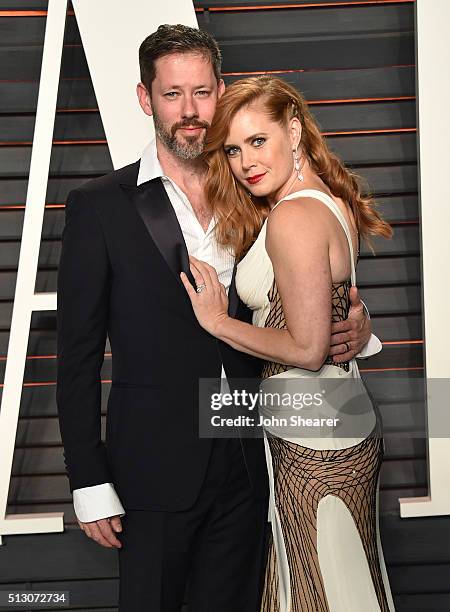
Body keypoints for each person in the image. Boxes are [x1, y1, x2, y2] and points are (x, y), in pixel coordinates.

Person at [57, 25, 378, 612]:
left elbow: (309, 286)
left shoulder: (259, 192)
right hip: (153, 470)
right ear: (144, 98)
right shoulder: (99, 206)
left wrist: (358, 329)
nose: (190, 111)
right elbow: (76, 355)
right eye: (173, 94)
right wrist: (87, 479)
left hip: (258, 457)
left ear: (221, 90)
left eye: (202, 93)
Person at [180, 75, 396, 611]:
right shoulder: (324, 200)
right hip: (331, 422)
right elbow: (333, 311)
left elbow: (306, 348)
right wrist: (359, 321)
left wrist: (216, 320)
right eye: (232, 149)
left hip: (315, 437)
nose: (245, 161)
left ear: (294, 132)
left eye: (259, 141)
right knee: (336, 583)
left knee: (320, 591)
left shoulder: (294, 215)